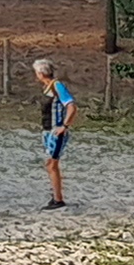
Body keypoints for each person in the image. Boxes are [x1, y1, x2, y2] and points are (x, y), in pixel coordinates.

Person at [34, 56, 76, 208]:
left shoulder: (56, 86)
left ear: (41, 73)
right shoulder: (48, 87)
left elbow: (71, 106)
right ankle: (56, 196)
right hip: (47, 131)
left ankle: (58, 199)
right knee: (50, 164)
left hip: (55, 131)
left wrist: (64, 126)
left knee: (52, 163)